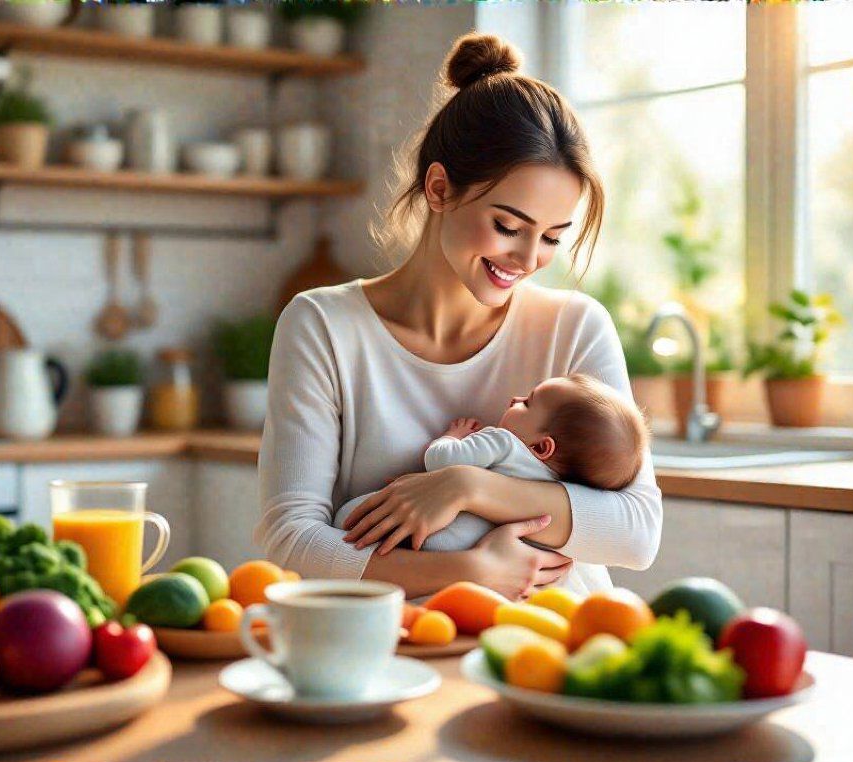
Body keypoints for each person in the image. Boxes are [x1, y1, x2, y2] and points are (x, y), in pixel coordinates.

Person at [255, 31, 663, 600]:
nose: (527, 260)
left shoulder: (575, 327)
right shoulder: (322, 326)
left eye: (551, 237)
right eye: (508, 227)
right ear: (440, 188)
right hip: (410, 643)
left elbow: (638, 532)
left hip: (559, 645)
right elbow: (292, 537)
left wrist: (465, 486)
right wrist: (471, 571)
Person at [331, 373, 650, 597]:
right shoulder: (561, 487)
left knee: (348, 515)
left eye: (528, 403)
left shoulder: (503, 442)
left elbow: (440, 461)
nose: (516, 399)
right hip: (496, 576)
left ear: (542, 447)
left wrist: (453, 436)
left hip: (431, 542)